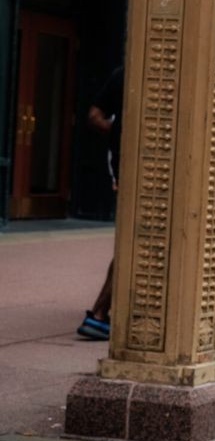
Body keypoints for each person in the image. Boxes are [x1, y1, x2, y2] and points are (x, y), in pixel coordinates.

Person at [76, 64, 124, 340]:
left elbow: (94, 116)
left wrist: (118, 131)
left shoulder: (121, 72)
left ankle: (104, 313)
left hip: (121, 167)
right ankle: (99, 314)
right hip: (148, 169)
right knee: (134, 245)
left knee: (131, 243)